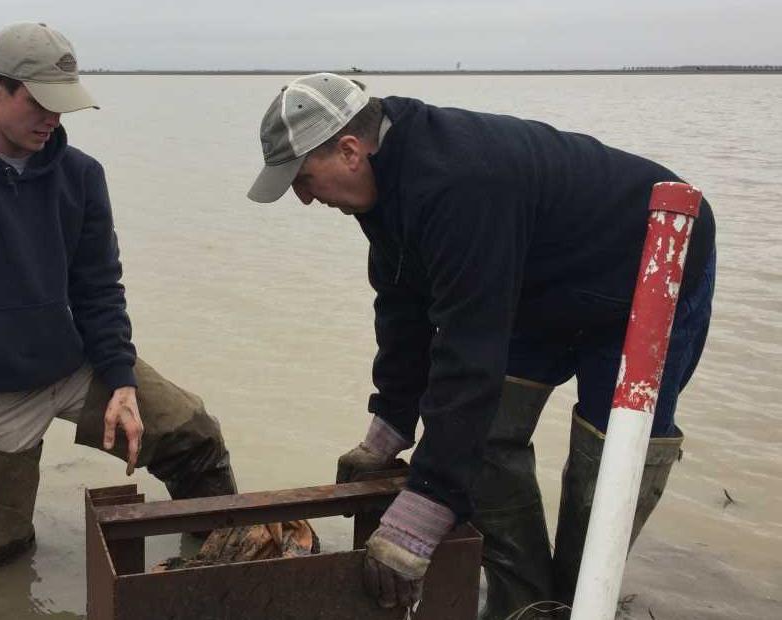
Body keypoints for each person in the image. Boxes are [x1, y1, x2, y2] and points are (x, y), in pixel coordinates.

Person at [246, 73, 715, 616]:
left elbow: (469, 353)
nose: (303, 198)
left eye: (302, 178)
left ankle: (579, 598)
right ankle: (529, 602)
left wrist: (426, 505)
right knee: (487, 436)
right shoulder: (380, 186)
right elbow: (402, 305)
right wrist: (392, 424)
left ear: (349, 150)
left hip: (647, 267)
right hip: (536, 280)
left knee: (609, 466)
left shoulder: (457, 182)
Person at [0, 22, 236, 570]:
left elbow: (99, 287)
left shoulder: (82, 177)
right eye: (40, 102)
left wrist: (119, 379)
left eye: (63, 105)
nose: (54, 118)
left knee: (192, 432)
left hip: (74, 364)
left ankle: (222, 551)